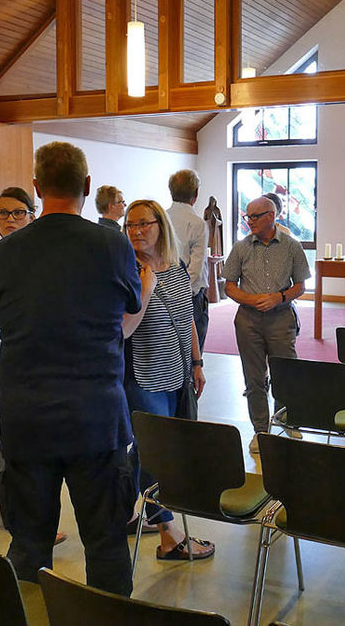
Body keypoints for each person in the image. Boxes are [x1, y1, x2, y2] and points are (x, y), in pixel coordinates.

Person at [0, 141, 141, 594]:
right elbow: (131, 303)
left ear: (36, 188)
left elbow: (1, 316)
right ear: (87, 186)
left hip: (26, 415)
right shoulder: (111, 244)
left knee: (28, 544)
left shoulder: (6, 251)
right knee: (106, 541)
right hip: (95, 414)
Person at [0, 187, 69, 541]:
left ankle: (13, 507)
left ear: (32, 212)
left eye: (18, 213)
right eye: (3, 213)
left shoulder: (32, 247)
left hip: (29, 346)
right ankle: (12, 509)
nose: (10, 220)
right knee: (15, 426)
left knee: (22, 427)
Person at [122, 199, 213, 561]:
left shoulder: (176, 268)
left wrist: (197, 362)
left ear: (161, 225)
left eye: (144, 224)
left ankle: (125, 508)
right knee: (157, 453)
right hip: (144, 377)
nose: (137, 231)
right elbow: (125, 330)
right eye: (130, 225)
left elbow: (186, 315)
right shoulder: (127, 270)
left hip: (176, 372)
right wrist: (145, 288)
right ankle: (168, 534)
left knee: (149, 450)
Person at [222, 196, 310, 454]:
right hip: (248, 320)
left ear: (271, 216)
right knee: (254, 378)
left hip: (281, 319)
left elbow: (300, 286)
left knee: (285, 373)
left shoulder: (292, 247)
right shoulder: (241, 248)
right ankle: (261, 430)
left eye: (255, 216)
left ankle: (286, 421)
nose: (249, 221)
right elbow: (228, 285)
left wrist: (278, 298)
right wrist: (252, 300)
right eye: (247, 216)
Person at [166, 170, 210, 353]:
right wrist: (181, 294)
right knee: (192, 353)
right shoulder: (197, 223)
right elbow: (195, 268)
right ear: (196, 194)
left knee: (170, 350)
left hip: (161, 292)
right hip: (189, 297)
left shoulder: (161, 218)